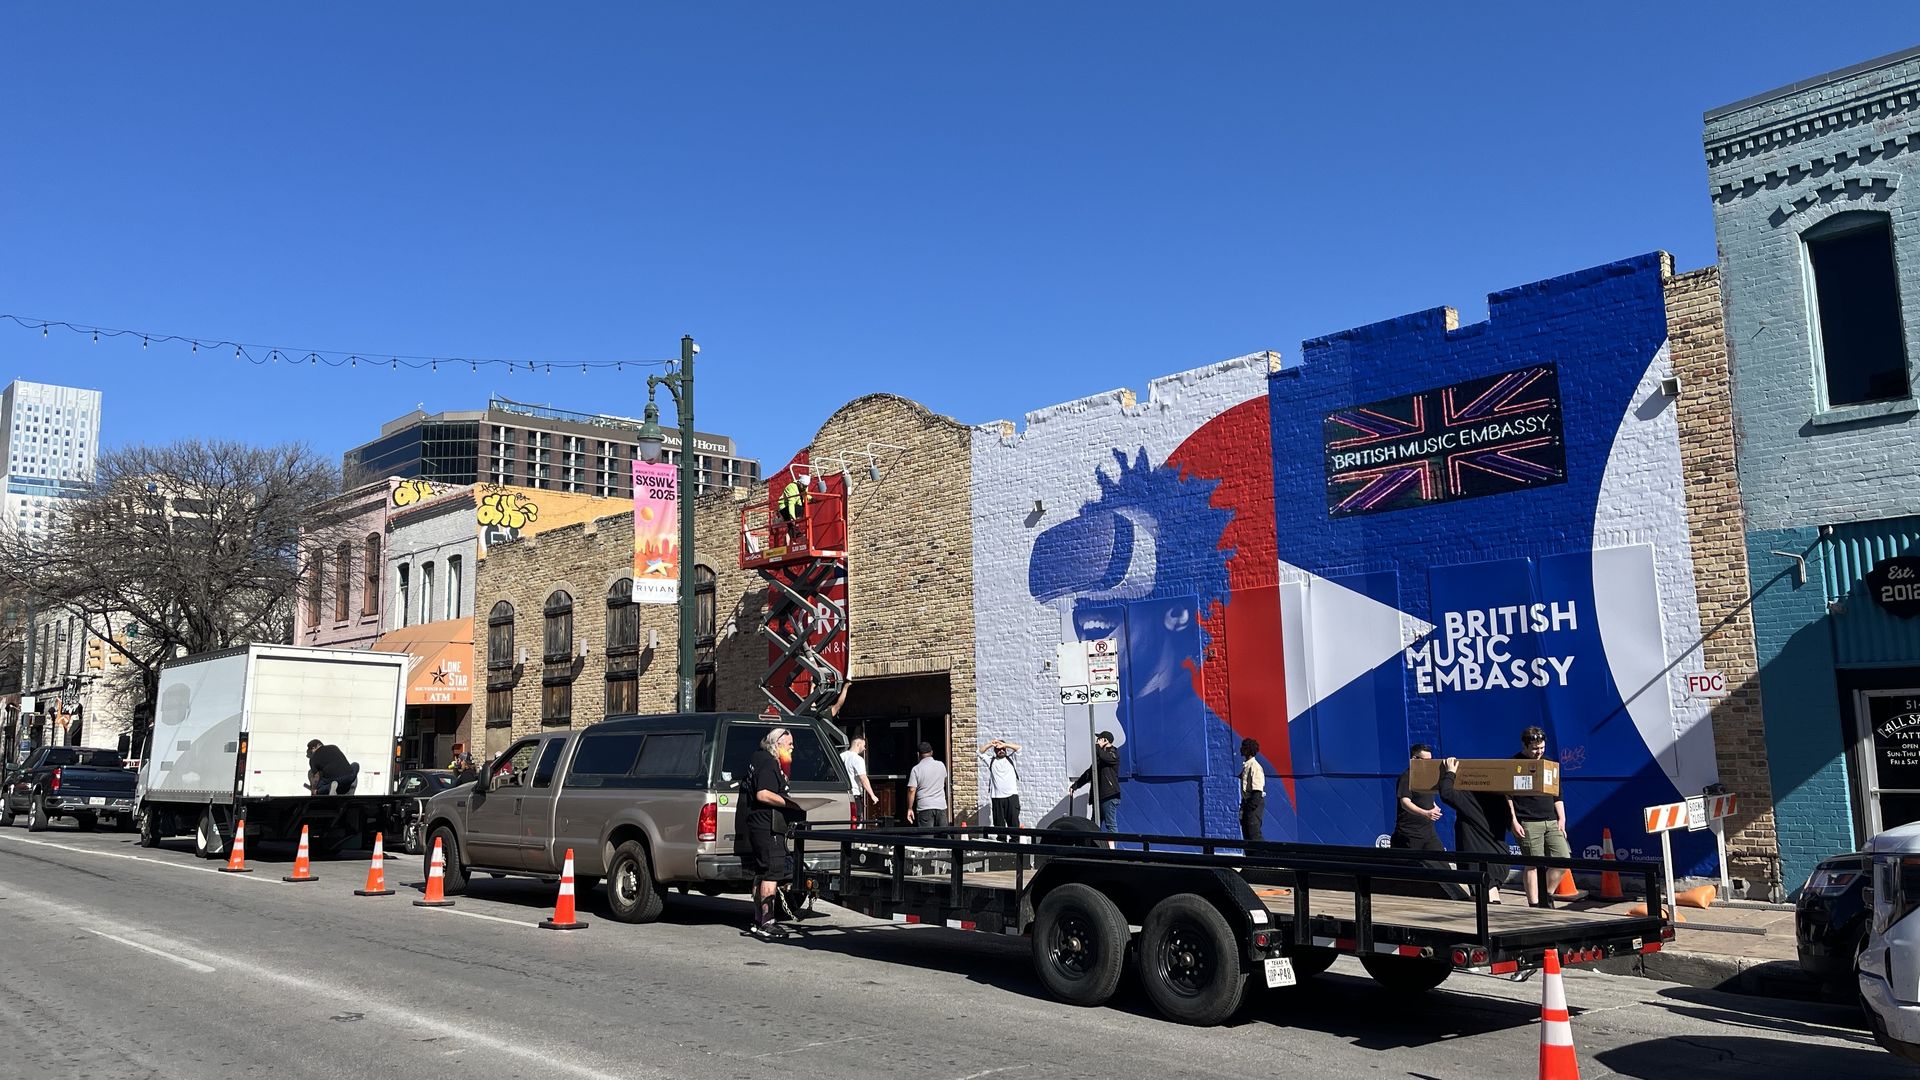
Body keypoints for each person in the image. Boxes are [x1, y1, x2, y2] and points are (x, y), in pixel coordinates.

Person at [738, 726, 803, 939]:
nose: (792, 747)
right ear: (777, 743)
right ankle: (767, 922)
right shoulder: (768, 762)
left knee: (761, 871)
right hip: (768, 826)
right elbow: (763, 794)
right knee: (771, 873)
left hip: (758, 824)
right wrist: (790, 803)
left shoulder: (757, 758)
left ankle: (759, 920)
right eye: (789, 743)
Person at [1508, 726, 1569, 908]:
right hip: (1528, 821)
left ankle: (1546, 894)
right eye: (1535, 748)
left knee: (1563, 859)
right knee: (1532, 864)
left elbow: (1557, 794)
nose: (1539, 752)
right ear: (1525, 746)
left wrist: (1562, 819)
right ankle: (1534, 904)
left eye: (1542, 748)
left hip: (1551, 820)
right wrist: (1513, 820)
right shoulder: (1514, 764)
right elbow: (1507, 796)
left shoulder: (1548, 763)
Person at [1439, 756, 1511, 904]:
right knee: (1487, 893)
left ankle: (1491, 914)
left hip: (1481, 861)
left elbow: (1446, 793)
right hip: (1499, 858)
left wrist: (1450, 773)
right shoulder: (1500, 799)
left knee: (1487, 896)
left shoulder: (1470, 798)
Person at [1391, 744, 1445, 852]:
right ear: (1415, 759)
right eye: (1426, 761)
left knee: (1441, 861)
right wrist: (1426, 813)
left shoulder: (1426, 776)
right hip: (1409, 834)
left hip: (1429, 833)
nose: (1429, 763)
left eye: (1431, 760)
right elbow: (1405, 802)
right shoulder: (1407, 776)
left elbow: (1425, 797)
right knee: (1410, 862)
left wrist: (1434, 806)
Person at [1068, 730, 1121, 836]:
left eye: (1099, 739)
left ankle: (1113, 847)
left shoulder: (1113, 753)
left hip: (1109, 795)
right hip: (1098, 796)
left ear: (1106, 740)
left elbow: (1106, 758)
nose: (1097, 741)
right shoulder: (1099, 758)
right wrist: (1075, 786)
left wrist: (1097, 747)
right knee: (1094, 825)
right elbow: (1089, 773)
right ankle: (1096, 845)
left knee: (1110, 825)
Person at [980, 738, 1023, 830]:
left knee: (1014, 823)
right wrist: (990, 744)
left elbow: (1019, 748)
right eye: (998, 749)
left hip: (1011, 796)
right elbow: (980, 752)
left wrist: (1005, 744)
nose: (1001, 751)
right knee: (998, 824)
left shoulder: (1011, 759)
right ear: (995, 751)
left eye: (1003, 749)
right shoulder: (991, 761)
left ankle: (1015, 838)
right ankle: (1001, 838)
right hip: (997, 797)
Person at [906, 742, 950, 827]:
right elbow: (944, 781)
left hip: (924, 807)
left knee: (926, 835)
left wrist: (910, 808)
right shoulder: (941, 765)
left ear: (918, 754)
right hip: (940, 806)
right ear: (932, 752)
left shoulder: (916, 769)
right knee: (943, 834)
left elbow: (912, 790)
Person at [840, 736, 876, 824]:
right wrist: (872, 795)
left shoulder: (841, 756)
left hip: (843, 794)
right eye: (863, 746)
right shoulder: (858, 759)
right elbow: (863, 778)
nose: (864, 748)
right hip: (855, 794)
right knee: (856, 821)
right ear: (858, 744)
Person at [1238, 737, 1266, 843]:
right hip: (1246, 803)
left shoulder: (1255, 767)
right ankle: (1249, 853)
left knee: (1254, 834)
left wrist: (1249, 809)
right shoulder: (1247, 766)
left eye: (1243, 747)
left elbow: (1257, 791)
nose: (1240, 749)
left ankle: (1262, 853)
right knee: (1247, 835)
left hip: (1253, 803)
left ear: (1247, 750)